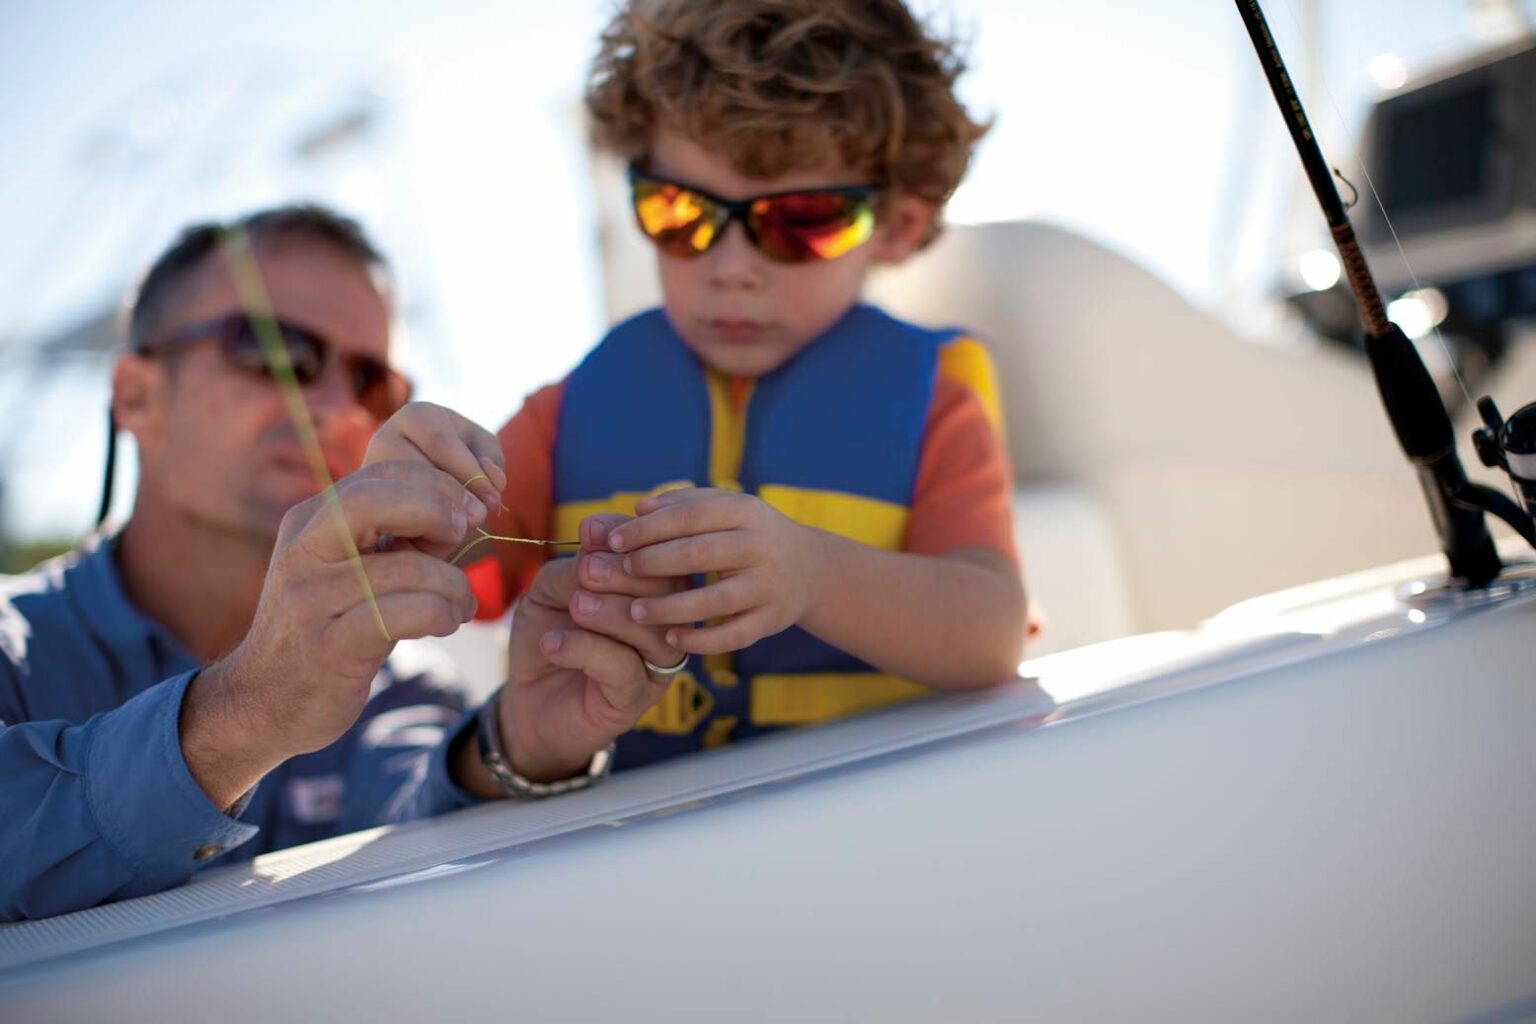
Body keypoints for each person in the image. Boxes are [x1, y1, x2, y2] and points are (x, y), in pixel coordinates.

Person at [0, 205, 679, 922]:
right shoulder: (13, 652)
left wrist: (516, 747)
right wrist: (246, 709)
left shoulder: (397, 683)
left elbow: (417, 817)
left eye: (370, 383)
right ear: (136, 395)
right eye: (279, 353)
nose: (330, 406)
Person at [471, 0, 1028, 770]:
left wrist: (812, 575)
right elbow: (454, 571)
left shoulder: (936, 397)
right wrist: (407, 507)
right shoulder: (567, 413)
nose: (731, 270)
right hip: (623, 841)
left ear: (897, 225)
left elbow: (990, 631)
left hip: (880, 817)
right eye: (680, 213)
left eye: (801, 220)